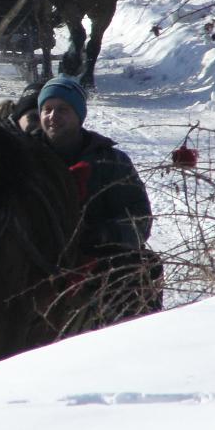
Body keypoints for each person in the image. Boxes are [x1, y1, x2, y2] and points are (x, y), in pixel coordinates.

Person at [36, 75, 161, 325]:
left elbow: (140, 220)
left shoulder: (111, 162)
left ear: (79, 115)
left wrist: (103, 235)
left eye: (63, 109)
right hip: (36, 258)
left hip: (100, 260)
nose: (53, 116)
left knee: (145, 267)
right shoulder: (26, 158)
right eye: (47, 109)